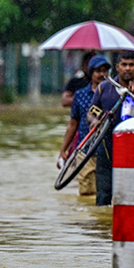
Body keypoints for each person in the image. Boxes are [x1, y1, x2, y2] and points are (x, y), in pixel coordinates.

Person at [89, 51, 134, 206]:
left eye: (131, 65)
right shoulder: (104, 88)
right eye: (124, 65)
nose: (127, 68)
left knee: (132, 199)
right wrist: (94, 121)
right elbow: (92, 111)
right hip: (106, 149)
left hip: (133, 152)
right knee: (103, 199)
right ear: (117, 67)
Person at [57, 55, 110, 196]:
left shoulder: (115, 94)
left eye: (105, 70)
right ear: (90, 73)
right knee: (86, 191)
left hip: (109, 151)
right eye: (98, 71)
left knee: (107, 192)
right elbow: (73, 124)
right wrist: (63, 150)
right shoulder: (80, 95)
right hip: (86, 150)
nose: (102, 74)